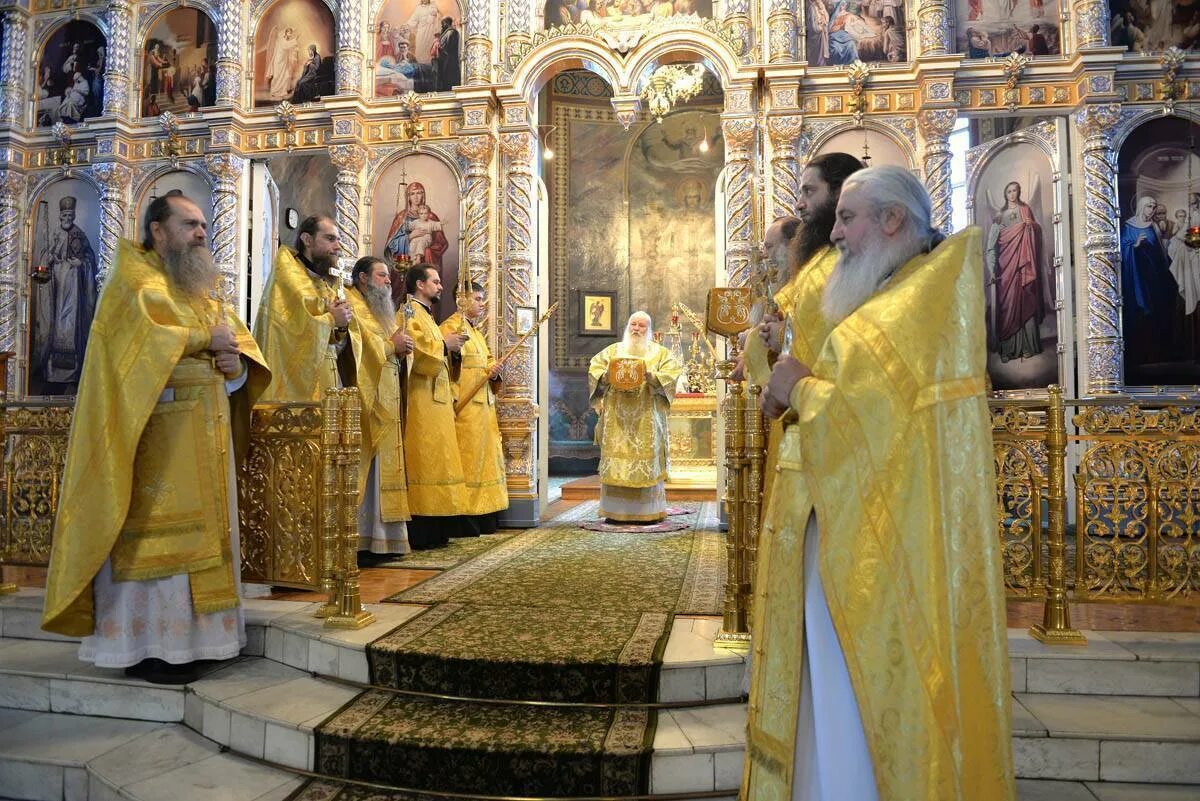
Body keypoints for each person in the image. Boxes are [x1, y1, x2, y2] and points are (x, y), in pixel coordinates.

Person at [744, 166, 1014, 801]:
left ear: (893, 221)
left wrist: (797, 386)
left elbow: (858, 414)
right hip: (863, 523)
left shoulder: (906, 306)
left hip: (880, 550)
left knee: (854, 688)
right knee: (830, 685)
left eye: (846, 217)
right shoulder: (908, 291)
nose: (832, 232)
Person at [41, 193, 270, 685]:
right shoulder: (134, 280)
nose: (201, 233)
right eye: (190, 224)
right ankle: (151, 648)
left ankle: (204, 642)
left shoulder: (201, 286)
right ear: (158, 230)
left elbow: (233, 343)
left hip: (205, 436)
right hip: (153, 442)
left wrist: (234, 368)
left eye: (204, 224)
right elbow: (137, 346)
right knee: (157, 546)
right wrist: (204, 341)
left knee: (208, 540)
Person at [743, 152, 863, 533]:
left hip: (829, 420)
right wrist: (779, 339)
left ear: (840, 193)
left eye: (809, 192)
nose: (799, 204)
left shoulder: (848, 266)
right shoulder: (819, 264)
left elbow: (847, 345)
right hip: (799, 415)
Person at [587, 312, 683, 523]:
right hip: (617, 423)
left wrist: (652, 377)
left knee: (646, 463)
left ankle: (646, 513)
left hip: (646, 420)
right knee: (617, 462)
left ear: (648, 329)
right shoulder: (613, 351)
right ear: (627, 326)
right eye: (633, 324)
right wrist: (606, 375)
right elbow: (595, 369)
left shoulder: (660, 353)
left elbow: (672, 375)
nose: (636, 329)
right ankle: (614, 512)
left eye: (641, 325)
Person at [347, 256, 414, 557]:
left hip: (386, 393)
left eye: (388, 276)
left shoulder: (380, 310)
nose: (389, 281)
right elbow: (358, 347)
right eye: (382, 275)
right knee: (367, 467)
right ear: (363, 278)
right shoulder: (352, 303)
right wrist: (392, 346)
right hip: (367, 398)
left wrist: (401, 352)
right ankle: (364, 540)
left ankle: (386, 540)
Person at [253, 215, 358, 402]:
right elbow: (290, 331)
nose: (338, 247)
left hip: (329, 378)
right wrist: (332, 319)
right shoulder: (289, 275)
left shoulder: (323, 280)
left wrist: (341, 325)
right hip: (297, 385)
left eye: (338, 240)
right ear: (307, 240)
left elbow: (332, 338)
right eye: (330, 238)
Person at [403, 264, 468, 548]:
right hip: (421, 402)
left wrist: (452, 351)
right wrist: (445, 345)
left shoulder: (426, 315)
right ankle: (424, 528)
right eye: (436, 281)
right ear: (420, 284)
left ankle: (440, 525)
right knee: (425, 461)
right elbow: (414, 351)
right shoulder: (408, 312)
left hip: (437, 401)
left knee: (441, 461)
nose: (441, 286)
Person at [441, 283, 509, 536]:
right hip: (465, 410)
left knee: (484, 464)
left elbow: (486, 360)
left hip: (484, 411)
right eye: (477, 298)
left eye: (483, 299)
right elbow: (447, 368)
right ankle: (467, 520)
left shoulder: (476, 332)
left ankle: (486, 517)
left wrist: (493, 370)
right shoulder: (450, 328)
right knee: (468, 463)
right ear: (461, 300)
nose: (482, 303)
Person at [38, 195, 99, 393]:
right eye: (64, 214)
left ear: (73, 215)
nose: (67, 217)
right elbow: (44, 258)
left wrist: (81, 263)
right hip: (56, 289)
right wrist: (50, 259)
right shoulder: (54, 234)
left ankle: (72, 375)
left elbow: (90, 257)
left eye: (70, 214)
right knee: (54, 328)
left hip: (74, 291)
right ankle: (52, 374)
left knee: (71, 330)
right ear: (60, 215)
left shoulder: (80, 235)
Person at [985, 180, 1051, 362]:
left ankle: (1028, 346)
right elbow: (991, 246)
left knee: (1025, 300)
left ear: (1018, 192)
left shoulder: (1025, 210)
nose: (1012, 194)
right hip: (1005, 269)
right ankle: (1007, 349)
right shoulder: (999, 216)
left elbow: (1037, 232)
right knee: (1007, 307)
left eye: (1015, 191)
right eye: (1009, 191)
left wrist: (1032, 227)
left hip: (1023, 267)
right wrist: (991, 269)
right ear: (1005, 195)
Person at [1121, 195, 1179, 369]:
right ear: (1141, 207)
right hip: (1137, 278)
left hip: (1155, 278)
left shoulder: (1153, 226)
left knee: (1158, 312)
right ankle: (1139, 355)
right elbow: (1122, 248)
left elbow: (1161, 252)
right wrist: (1134, 246)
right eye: (1149, 206)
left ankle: (1157, 353)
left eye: (1154, 207)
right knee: (1140, 313)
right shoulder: (1128, 226)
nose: (1152, 210)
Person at [384, 182, 449, 308]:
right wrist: (410, 236)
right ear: (408, 197)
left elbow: (441, 243)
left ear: (423, 195)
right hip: (404, 265)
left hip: (425, 265)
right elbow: (391, 245)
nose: (416, 197)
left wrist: (428, 251)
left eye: (419, 193)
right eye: (412, 194)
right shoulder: (402, 217)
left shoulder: (431, 217)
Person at [266, 26, 302, 100]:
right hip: (278, 61)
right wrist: (295, 39)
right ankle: (274, 91)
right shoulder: (281, 39)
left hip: (284, 61)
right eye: (289, 33)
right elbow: (286, 46)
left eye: (291, 33)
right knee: (277, 77)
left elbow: (289, 46)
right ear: (286, 33)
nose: (290, 35)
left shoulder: (285, 40)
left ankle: (282, 91)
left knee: (286, 76)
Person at [432, 16, 461, 92]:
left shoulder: (451, 32)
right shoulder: (446, 33)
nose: (442, 25)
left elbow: (448, 47)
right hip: (444, 60)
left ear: (447, 23)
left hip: (449, 61)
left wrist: (439, 48)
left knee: (448, 78)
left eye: (443, 23)